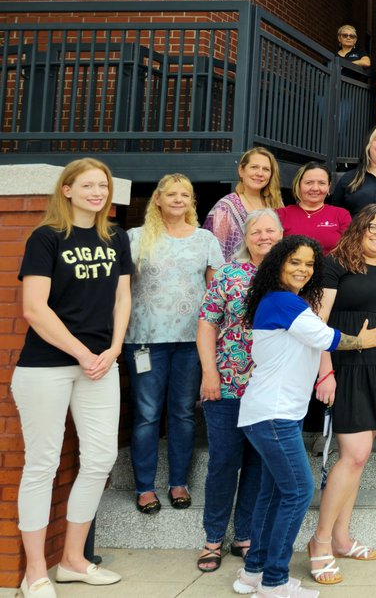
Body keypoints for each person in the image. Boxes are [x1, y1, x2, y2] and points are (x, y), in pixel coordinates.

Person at [235, 237, 376, 598]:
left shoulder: (279, 300)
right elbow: (325, 337)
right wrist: (361, 340)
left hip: (270, 412)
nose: (302, 270)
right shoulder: (284, 301)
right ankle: (273, 582)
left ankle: (252, 575)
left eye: (308, 265)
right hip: (272, 414)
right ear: (278, 264)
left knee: (273, 494)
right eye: (294, 263)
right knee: (300, 490)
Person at [15, 159, 130, 594]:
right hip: (47, 366)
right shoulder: (46, 237)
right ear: (66, 189)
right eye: (88, 185)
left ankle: (73, 560)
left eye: (103, 185)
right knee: (41, 465)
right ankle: (34, 573)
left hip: (100, 364)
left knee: (100, 458)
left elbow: (123, 296)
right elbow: (34, 309)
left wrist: (114, 348)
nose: (98, 192)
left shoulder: (115, 237)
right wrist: (83, 352)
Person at [304, 205, 376, 584]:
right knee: (354, 455)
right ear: (359, 228)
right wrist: (325, 371)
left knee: (359, 459)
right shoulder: (335, 265)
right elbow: (317, 323)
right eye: (373, 228)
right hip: (347, 369)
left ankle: (342, 538)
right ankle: (320, 541)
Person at [125, 174, 224, 515]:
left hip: (191, 341)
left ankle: (178, 482)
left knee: (182, 413)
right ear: (158, 199)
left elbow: (216, 295)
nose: (178, 199)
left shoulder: (205, 240)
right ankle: (145, 487)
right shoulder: (135, 239)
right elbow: (121, 291)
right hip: (145, 340)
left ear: (192, 202)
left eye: (185, 194)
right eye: (171, 194)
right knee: (147, 414)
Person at [196, 208, 281, 574]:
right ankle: (213, 538)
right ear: (245, 238)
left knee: (259, 466)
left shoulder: (291, 277)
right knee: (223, 463)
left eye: (270, 231)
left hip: (270, 390)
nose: (263, 237)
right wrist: (209, 373)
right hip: (227, 386)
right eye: (256, 231)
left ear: (281, 235)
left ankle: (244, 536)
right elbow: (207, 324)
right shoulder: (229, 275)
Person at [204, 148, 284, 262]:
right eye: (254, 167)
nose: (260, 173)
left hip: (272, 274)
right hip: (236, 276)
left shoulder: (277, 204)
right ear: (241, 170)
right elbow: (213, 254)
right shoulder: (225, 207)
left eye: (266, 169)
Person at [279, 162, 352, 253]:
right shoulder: (281, 214)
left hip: (330, 267)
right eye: (309, 182)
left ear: (328, 186)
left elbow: (349, 250)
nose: (315, 188)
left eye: (321, 183)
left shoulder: (341, 215)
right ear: (299, 185)